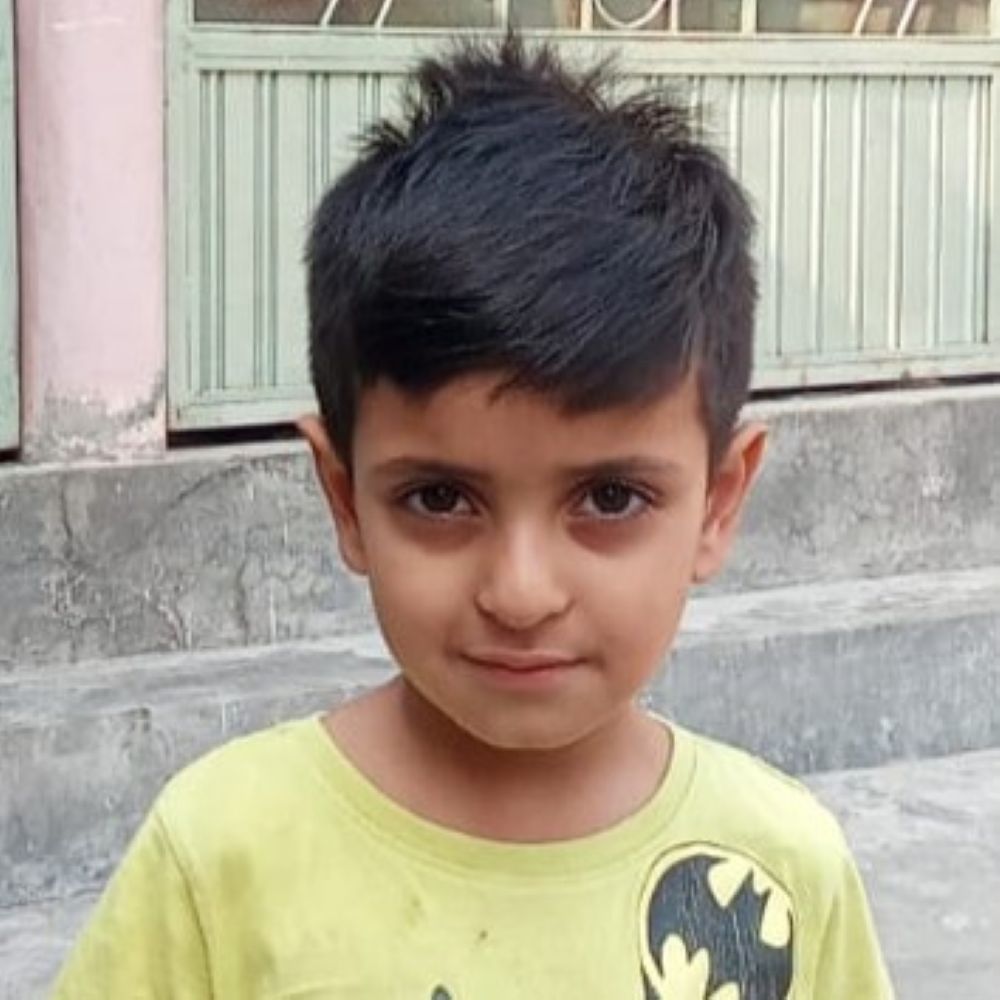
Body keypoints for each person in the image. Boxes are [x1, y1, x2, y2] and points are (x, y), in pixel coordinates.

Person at [52, 36, 893, 999]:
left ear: (720, 501)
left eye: (610, 499)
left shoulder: (781, 871)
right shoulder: (221, 859)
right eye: (440, 499)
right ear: (345, 498)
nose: (521, 594)